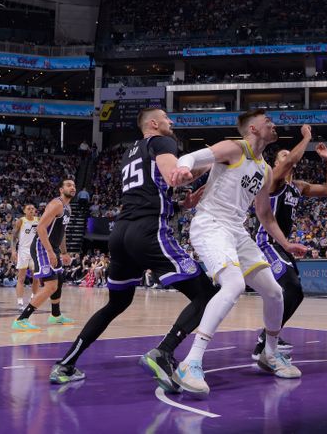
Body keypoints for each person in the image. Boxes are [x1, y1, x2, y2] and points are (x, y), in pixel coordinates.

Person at [50, 108, 214, 389]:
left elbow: (146, 192)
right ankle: (163, 352)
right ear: (153, 124)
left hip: (122, 232)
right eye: (166, 118)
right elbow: (176, 176)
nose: (171, 122)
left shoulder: (130, 152)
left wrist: (179, 206)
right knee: (207, 295)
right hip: (148, 231)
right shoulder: (161, 142)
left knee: (117, 303)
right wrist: (211, 161)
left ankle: (65, 364)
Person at [171, 109, 309, 397]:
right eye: (267, 120)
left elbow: (265, 215)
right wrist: (183, 167)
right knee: (233, 284)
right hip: (210, 224)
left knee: (274, 291)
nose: (273, 124)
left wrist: (285, 244)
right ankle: (191, 361)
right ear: (253, 129)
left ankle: (269, 354)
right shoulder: (235, 148)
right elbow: (195, 157)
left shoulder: (266, 169)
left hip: (236, 231)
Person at [253, 124, 327, 358]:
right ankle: (265, 342)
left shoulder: (297, 187)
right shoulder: (272, 178)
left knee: (295, 293)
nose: (288, 157)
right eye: (283, 155)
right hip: (266, 241)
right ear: (277, 162)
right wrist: (307, 137)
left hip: (282, 244)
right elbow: (288, 163)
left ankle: (268, 336)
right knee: (291, 287)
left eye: (290, 155)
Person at [12, 179, 75, 331]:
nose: (72, 187)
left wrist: (64, 252)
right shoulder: (56, 204)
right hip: (42, 246)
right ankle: (22, 319)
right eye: (68, 185)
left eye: (74, 185)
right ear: (61, 189)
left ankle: (55, 315)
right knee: (51, 286)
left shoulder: (68, 208)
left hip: (53, 247)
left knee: (59, 279)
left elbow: (62, 232)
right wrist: (50, 251)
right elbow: (40, 228)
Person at [11, 204, 40, 310]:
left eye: (33, 208)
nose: (31, 210)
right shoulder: (21, 221)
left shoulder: (39, 220)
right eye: (29, 209)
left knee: (36, 277)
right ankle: (20, 302)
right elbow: (14, 236)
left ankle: (33, 299)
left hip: (35, 251)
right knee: (21, 278)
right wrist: (13, 250)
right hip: (23, 251)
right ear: (24, 211)